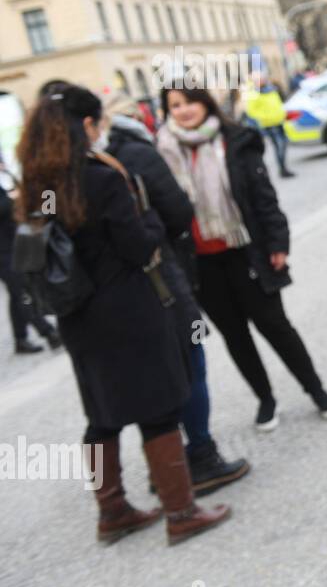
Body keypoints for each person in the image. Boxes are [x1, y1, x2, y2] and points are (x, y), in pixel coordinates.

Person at [14, 84, 230, 545]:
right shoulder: (102, 177)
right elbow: (139, 244)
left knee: (102, 414)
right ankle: (181, 511)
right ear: (86, 126)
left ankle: (111, 511)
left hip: (77, 316)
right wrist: (149, 218)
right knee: (158, 409)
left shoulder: (36, 182)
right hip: (130, 311)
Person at [156, 83, 327, 432]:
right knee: (235, 336)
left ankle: (316, 389)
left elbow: (263, 197)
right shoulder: (163, 151)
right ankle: (266, 399)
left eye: (189, 102)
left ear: (205, 102)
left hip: (247, 253)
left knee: (276, 327)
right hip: (201, 264)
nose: (183, 110)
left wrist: (277, 243)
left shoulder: (236, 139)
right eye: (174, 105)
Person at [101, 89, 250, 495]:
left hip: (99, 304)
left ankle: (157, 474)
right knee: (188, 363)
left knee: (128, 387)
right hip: (157, 281)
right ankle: (200, 457)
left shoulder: (57, 171)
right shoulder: (133, 154)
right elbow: (176, 212)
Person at [1, 151, 63, 354]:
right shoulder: (43, 175)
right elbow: (47, 210)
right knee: (22, 291)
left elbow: (47, 210)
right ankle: (48, 331)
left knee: (18, 292)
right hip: (10, 248)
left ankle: (21, 337)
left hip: (19, 242)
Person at [244, 80, 295, 179]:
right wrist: (265, 117)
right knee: (279, 145)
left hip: (279, 122)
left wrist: (282, 115)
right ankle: (282, 168)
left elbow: (278, 104)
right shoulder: (254, 94)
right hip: (269, 124)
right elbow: (251, 111)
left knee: (283, 145)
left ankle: (283, 167)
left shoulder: (271, 90)